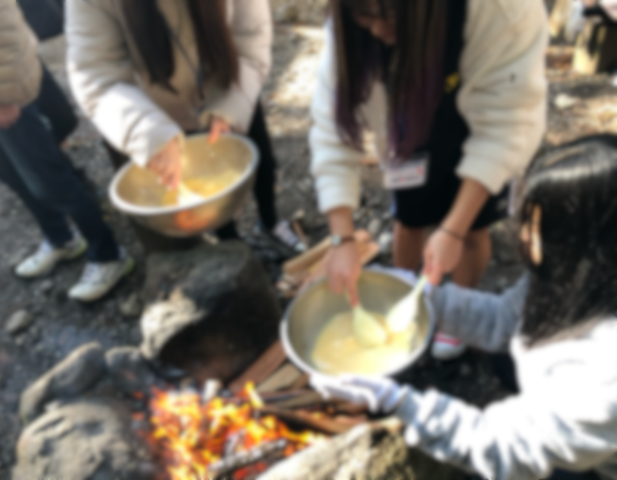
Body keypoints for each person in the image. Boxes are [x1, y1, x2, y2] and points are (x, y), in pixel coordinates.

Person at [312, 136, 617, 480]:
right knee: (504, 358)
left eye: (539, 228)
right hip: (579, 408)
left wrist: (402, 404)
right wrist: (423, 297)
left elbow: (502, 449)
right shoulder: (574, 275)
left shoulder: (604, 375)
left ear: (590, 246)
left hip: (599, 464)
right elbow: (504, 318)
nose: (522, 235)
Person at [310, 0, 548, 358]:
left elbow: (506, 125)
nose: (378, 29)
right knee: (409, 221)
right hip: (408, 133)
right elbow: (332, 130)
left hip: (478, 125)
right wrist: (342, 237)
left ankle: (463, 315)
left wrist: (453, 229)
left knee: (472, 232)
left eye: (392, 14)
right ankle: (403, 300)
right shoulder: (350, 27)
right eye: (364, 16)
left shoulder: (504, 11)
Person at [65, 0, 303, 252]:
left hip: (232, 85)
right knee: (210, 194)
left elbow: (251, 37)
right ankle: (232, 244)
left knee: (262, 162)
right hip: (163, 115)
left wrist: (233, 102)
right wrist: (144, 131)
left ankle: (270, 222)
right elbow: (96, 75)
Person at [0, 0, 133, 302]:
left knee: (49, 180)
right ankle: (61, 239)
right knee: (8, 173)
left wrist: (2, 94)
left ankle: (109, 255)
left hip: (2, 93)